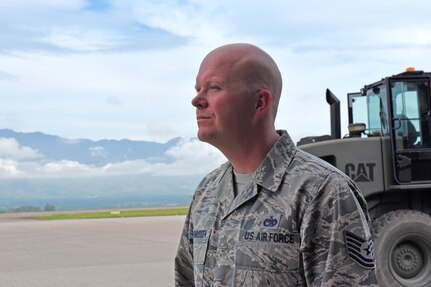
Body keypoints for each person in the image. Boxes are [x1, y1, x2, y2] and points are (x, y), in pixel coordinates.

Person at [175, 43, 378, 286]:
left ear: (260, 102)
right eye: (198, 89)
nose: (196, 100)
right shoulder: (206, 192)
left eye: (214, 88)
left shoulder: (321, 192)